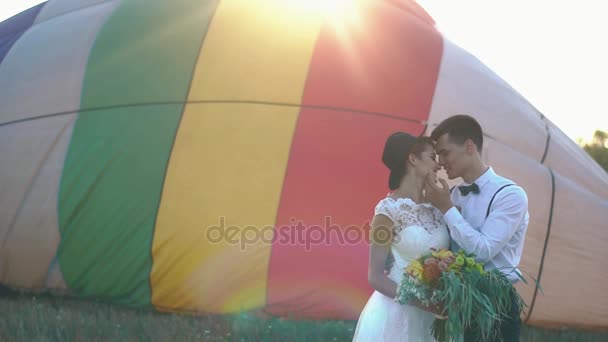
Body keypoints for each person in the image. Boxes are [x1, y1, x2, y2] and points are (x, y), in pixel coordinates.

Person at [425, 115, 529, 342]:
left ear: (469, 146)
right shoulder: (452, 194)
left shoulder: (511, 195)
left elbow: (483, 251)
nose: (441, 162)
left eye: (445, 152)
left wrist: (446, 209)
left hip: (496, 305)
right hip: (456, 303)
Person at [352, 132, 450, 342]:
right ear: (412, 159)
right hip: (396, 316)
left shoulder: (439, 207)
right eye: (432, 157)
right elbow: (375, 276)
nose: (439, 165)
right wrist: (423, 303)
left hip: (437, 318)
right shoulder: (386, 211)